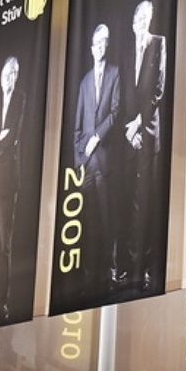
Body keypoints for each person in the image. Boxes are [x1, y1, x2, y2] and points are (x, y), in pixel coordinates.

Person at [120, 0, 166, 292]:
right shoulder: (126, 52)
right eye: (139, 18)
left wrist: (138, 123)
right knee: (128, 202)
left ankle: (145, 269)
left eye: (147, 18)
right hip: (128, 135)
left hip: (147, 131)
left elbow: (158, 89)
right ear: (133, 22)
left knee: (146, 202)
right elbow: (124, 93)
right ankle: (129, 268)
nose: (142, 23)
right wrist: (128, 129)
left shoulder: (158, 44)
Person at [71, 23, 120, 289]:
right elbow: (77, 128)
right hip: (87, 165)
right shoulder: (85, 82)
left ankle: (110, 272)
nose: (100, 46)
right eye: (97, 42)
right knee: (88, 222)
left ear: (107, 46)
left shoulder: (115, 73)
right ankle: (90, 277)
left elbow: (115, 112)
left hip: (106, 160)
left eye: (104, 42)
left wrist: (96, 138)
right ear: (91, 48)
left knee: (108, 219)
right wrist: (79, 161)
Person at [0, 55, 24, 322]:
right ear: (1, 76)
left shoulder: (20, 99)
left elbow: (13, 134)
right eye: (8, 73)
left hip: (9, 180)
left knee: (3, 246)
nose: (11, 78)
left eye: (14, 74)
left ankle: (1, 303)